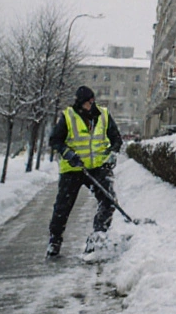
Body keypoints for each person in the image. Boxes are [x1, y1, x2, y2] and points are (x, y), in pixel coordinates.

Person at [46, 86, 122, 258]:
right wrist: (68, 154)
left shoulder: (103, 115)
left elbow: (116, 139)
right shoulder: (68, 116)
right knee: (63, 207)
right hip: (73, 169)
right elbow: (55, 140)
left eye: (90, 101)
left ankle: (97, 237)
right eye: (85, 103)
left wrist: (112, 154)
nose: (88, 105)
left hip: (97, 168)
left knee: (108, 201)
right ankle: (55, 240)